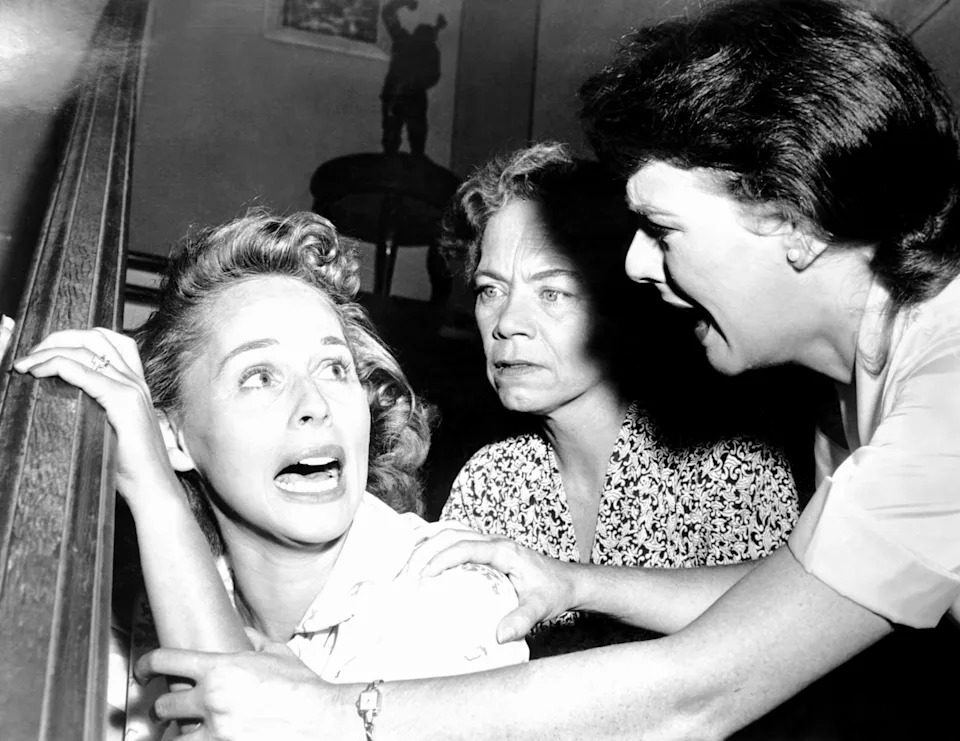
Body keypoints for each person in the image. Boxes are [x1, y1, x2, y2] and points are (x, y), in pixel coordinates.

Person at [132, 1, 960, 738]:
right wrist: (574, 579)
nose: (636, 264)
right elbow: (788, 600)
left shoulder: (947, 399)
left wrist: (335, 710)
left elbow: (695, 695)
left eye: (663, 228)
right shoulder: (859, 389)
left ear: (794, 221)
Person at [11, 211, 527, 737]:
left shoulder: (456, 596)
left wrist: (155, 491)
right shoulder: (144, 608)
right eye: (259, 377)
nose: (315, 404)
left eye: (334, 368)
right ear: (172, 437)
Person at [439, 142, 799, 657]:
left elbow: (775, 654)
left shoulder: (729, 465)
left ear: (622, 304)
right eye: (490, 290)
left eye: (553, 292)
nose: (507, 324)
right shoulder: (491, 481)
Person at [380, 0, 447, 156]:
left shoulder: (404, 39)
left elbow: (388, 12)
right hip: (403, 96)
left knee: (405, 139)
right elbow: (433, 76)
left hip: (401, 96)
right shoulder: (428, 49)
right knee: (405, 139)